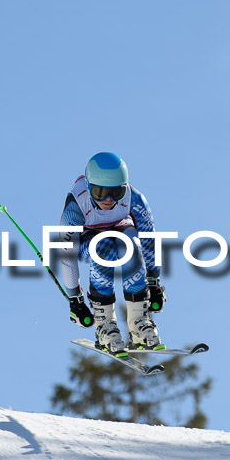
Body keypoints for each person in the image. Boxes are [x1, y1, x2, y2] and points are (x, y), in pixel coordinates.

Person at [59, 152, 166, 355]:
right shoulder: (76, 206)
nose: (108, 200)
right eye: (100, 193)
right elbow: (68, 256)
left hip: (120, 229)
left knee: (131, 245)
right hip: (89, 239)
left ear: (124, 188)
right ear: (89, 188)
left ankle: (139, 322)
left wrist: (154, 282)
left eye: (116, 193)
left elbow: (149, 240)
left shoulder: (134, 198)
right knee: (104, 248)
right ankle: (105, 324)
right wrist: (75, 300)